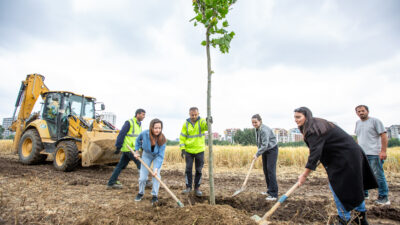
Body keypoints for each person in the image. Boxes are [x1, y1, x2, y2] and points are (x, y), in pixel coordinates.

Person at [295, 107, 377, 225]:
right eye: (295, 117)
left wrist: (304, 175)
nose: (296, 120)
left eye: (298, 117)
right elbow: (322, 152)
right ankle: (360, 219)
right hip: (349, 155)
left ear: (307, 116)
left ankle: (344, 219)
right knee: (354, 186)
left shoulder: (313, 130)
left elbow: (315, 154)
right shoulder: (318, 124)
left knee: (338, 188)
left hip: (345, 158)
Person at [355, 105, 390, 205]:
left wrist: (383, 151)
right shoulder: (357, 123)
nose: (361, 113)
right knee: (362, 174)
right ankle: (364, 194)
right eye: (359, 111)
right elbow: (359, 137)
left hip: (374, 153)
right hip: (362, 154)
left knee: (378, 175)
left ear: (367, 111)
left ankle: (384, 197)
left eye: (363, 111)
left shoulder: (375, 121)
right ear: (356, 113)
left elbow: (383, 135)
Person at [106, 109, 145, 189]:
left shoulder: (139, 124)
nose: (144, 116)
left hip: (134, 148)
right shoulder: (129, 122)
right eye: (142, 114)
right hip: (129, 148)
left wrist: (142, 147)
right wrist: (118, 146)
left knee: (120, 166)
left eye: (144, 115)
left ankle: (111, 183)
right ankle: (145, 181)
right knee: (140, 164)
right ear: (137, 114)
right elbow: (121, 134)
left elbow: (139, 138)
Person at [133, 119, 167, 205]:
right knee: (142, 178)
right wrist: (136, 152)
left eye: (159, 128)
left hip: (156, 156)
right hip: (146, 155)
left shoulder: (162, 139)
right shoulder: (144, 134)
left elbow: (160, 156)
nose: (157, 130)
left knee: (157, 176)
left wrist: (156, 169)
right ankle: (141, 193)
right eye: (155, 128)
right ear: (151, 127)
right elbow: (137, 141)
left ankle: (154, 196)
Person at [180, 107, 209, 197]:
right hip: (189, 151)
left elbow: (207, 127)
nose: (194, 116)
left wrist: (209, 121)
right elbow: (182, 137)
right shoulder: (186, 124)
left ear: (198, 114)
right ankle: (188, 187)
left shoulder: (202, 122)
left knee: (198, 170)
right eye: (192, 115)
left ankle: (197, 188)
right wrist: (182, 149)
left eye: (195, 114)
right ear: (189, 114)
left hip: (199, 150)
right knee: (188, 169)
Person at [251, 114, 279, 201]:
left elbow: (265, 144)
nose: (254, 124)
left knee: (271, 170)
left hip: (272, 149)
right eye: (252, 122)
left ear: (260, 121)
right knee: (266, 170)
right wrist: (259, 152)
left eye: (255, 122)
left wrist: (257, 154)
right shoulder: (257, 129)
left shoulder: (264, 130)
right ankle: (269, 191)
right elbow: (260, 143)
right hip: (265, 150)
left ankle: (274, 194)